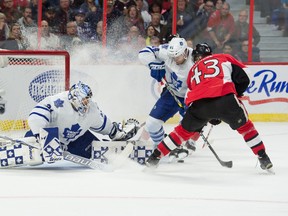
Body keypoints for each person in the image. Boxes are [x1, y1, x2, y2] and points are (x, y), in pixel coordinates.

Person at [146, 43, 273, 173]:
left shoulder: (192, 71)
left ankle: (154, 158)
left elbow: (190, 97)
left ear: (195, 57)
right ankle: (264, 158)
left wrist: (203, 116)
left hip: (199, 105)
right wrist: (234, 94)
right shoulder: (223, 57)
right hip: (226, 99)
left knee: (181, 132)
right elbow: (245, 76)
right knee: (246, 128)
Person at [0, 81, 139, 168]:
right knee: (32, 154)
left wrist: (118, 133)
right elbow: (35, 118)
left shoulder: (92, 109)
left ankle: (121, 152)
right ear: (75, 98)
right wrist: (45, 139)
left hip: (74, 140)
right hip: (46, 137)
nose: (86, 103)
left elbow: (105, 126)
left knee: (99, 151)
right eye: (84, 100)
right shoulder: (57, 102)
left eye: (88, 100)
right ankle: (5, 151)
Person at [138, 37, 197, 162]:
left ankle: (187, 143)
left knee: (188, 125)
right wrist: (154, 64)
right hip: (171, 93)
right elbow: (143, 53)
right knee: (152, 124)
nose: (174, 60)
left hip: (190, 96)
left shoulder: (195, 60)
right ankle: (163, 148)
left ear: (185, 52)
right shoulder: (167, 52)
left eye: (177, 57)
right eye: (173, 57)